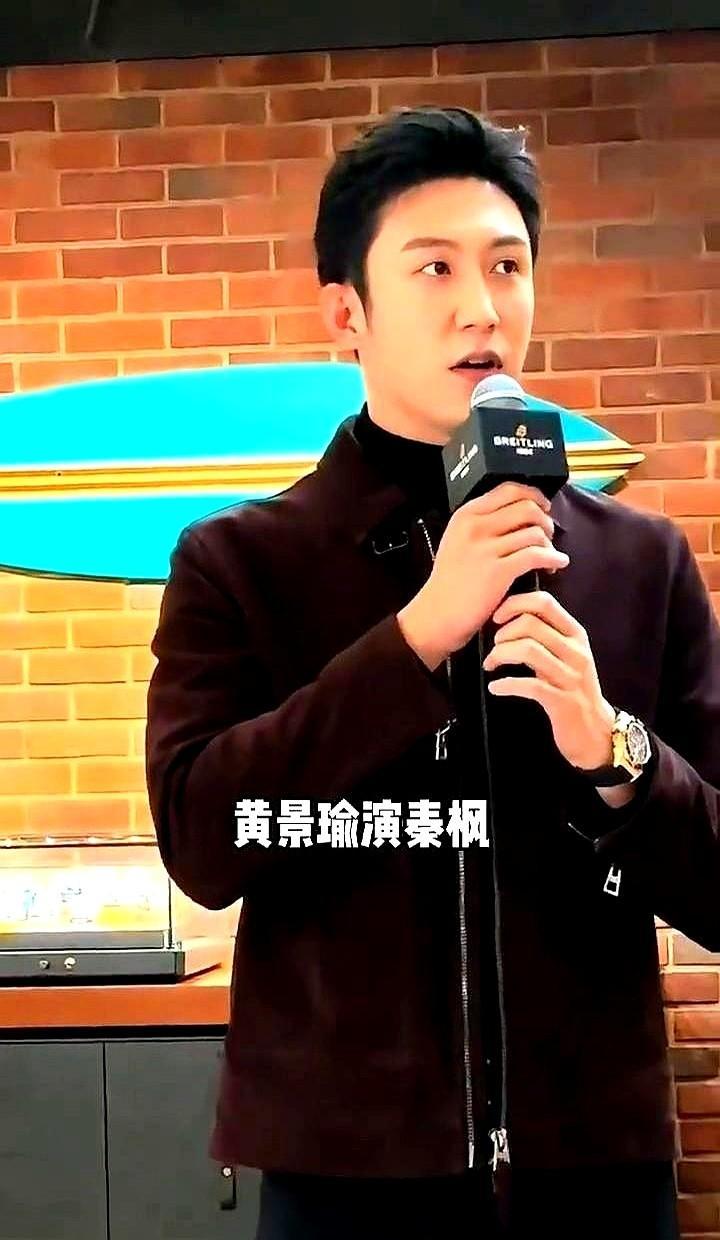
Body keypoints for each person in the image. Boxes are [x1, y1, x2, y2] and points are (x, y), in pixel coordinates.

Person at [145, 107, 720, 1239]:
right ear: (346, 313)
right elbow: (204, 842)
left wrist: (614, 751)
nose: (482, 307)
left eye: (507, 266)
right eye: (436, 268)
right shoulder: (242, 562)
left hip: (593, 1170)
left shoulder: (637, 561)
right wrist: (412, 640)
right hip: (346, 1174)